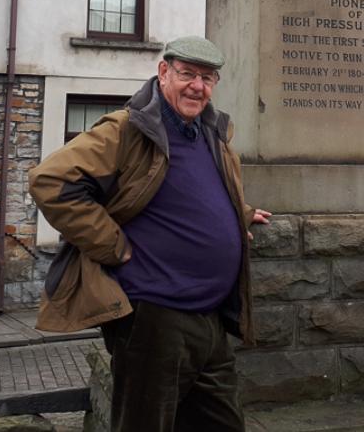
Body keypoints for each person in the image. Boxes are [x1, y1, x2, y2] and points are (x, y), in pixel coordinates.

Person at [29, 36, 271, 432]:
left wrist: (238, 215)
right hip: (155, 317)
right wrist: (114, 246)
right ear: (163, 73)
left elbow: (197, 190)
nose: (198, 86)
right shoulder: (129, 128)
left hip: (210, 317)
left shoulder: (210, 131)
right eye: (188, 74)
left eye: (208, 78)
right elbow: (51, 181)